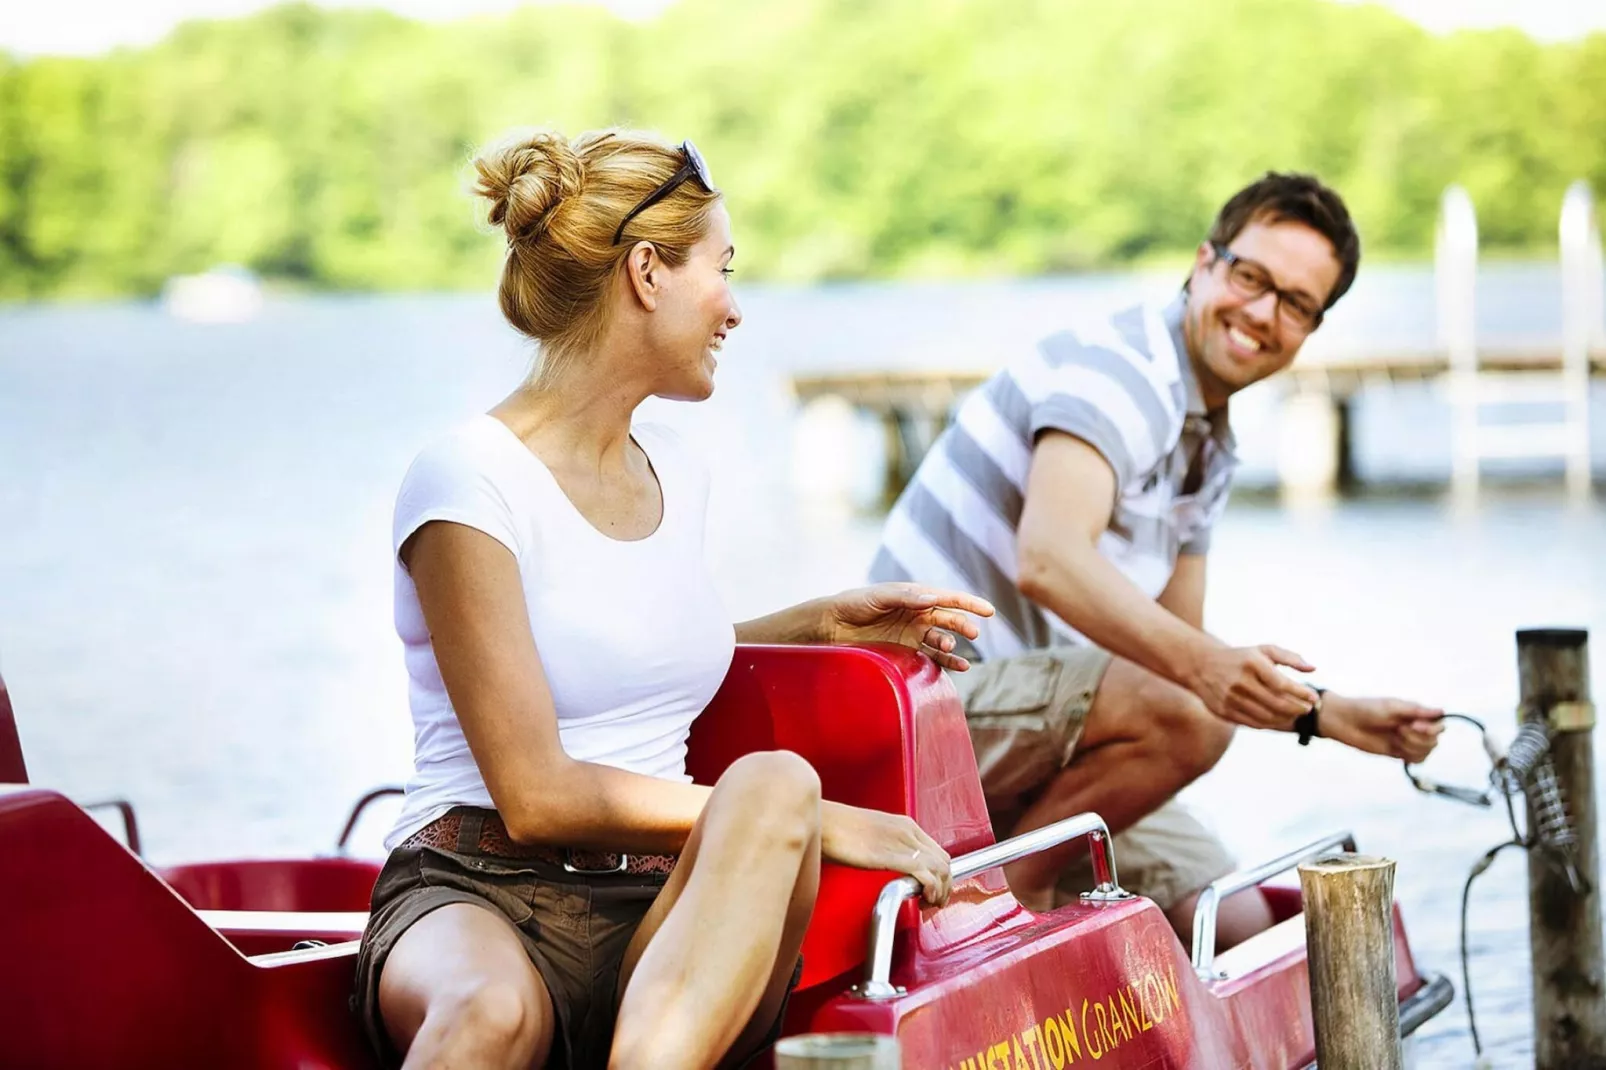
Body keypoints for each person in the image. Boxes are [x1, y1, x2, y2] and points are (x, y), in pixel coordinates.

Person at [352, 128, 994, 1070]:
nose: (734, 309)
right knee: (492, 1013)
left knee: (775, 781)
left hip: (665, 908)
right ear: (647, 272)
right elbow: (534, 794)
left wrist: (818, 625)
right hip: (474, 882)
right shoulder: (467, 480)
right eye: (721, 269)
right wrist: (825, 822)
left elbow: (616, 660)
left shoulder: (678, 471)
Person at [868, 172, 1444, 947]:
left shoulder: (1207, 445)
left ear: (1311, 327)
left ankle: (1022, 871)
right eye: (1250, 277)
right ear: (1204, 262)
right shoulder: (1123, 372)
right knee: (1193, 710)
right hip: (920, 710)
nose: (1263, 313)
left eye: (1296, 303)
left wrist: (1327, 713)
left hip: (1033, 733)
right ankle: (1010, 893)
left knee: (1236, 930)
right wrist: (1208, 677)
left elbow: (1177, 650)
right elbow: (1050, 558)